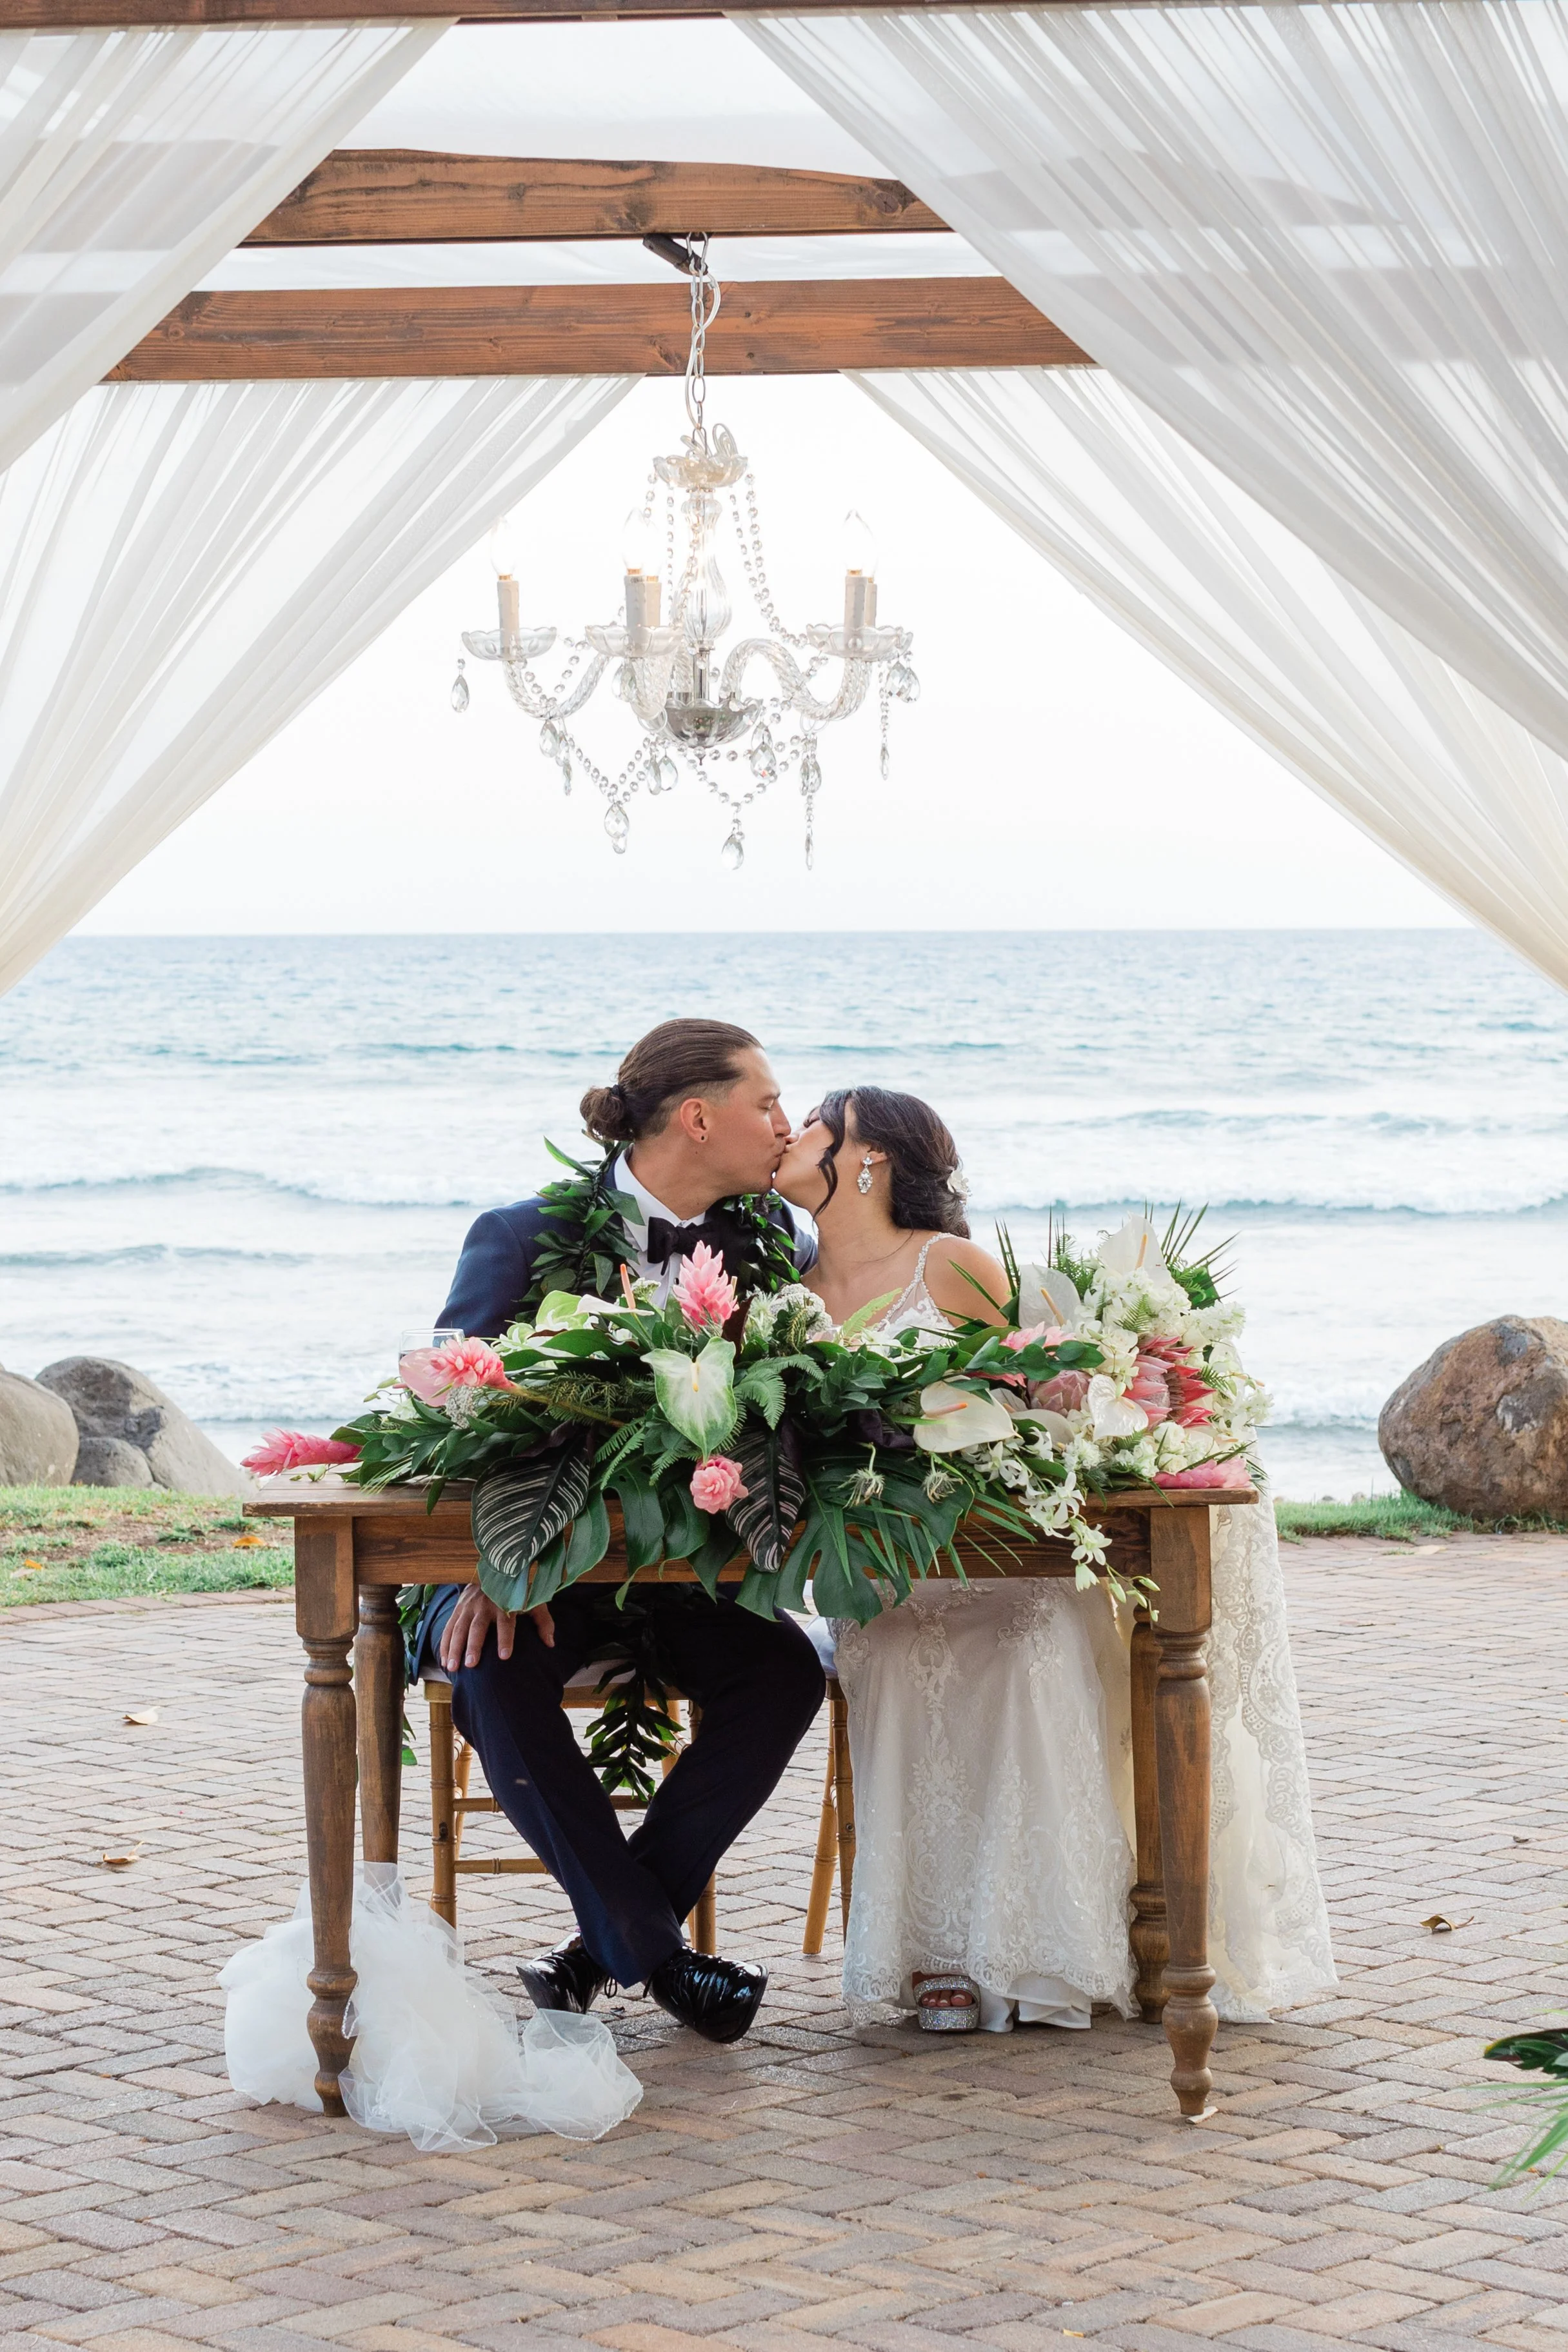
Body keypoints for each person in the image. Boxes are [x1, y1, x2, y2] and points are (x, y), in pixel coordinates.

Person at [772, 1086, 1336, 2035]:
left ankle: (1054, 1942)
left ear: (866, 1160)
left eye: (815, 1124)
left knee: (1034, 1631)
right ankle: (935, 1957)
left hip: (1001, 1557)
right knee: (902, 1650)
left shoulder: (947, 1265)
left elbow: (1036, 1398)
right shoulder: (783, 1289)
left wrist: (1083, 1401)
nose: (791, 1134)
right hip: (888, 1569)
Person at [418, 1019, 826, 2046]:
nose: (785, 1122)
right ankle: (662, 1955)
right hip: (523, 1568)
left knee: (783, 1671)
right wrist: (492, 1564)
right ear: (699, 1117)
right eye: (767, 1102)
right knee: (490, 1668)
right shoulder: (518, 1237)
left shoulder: (778, 1248)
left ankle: (603, 1949)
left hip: (673, 1577)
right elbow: (453, 1416)